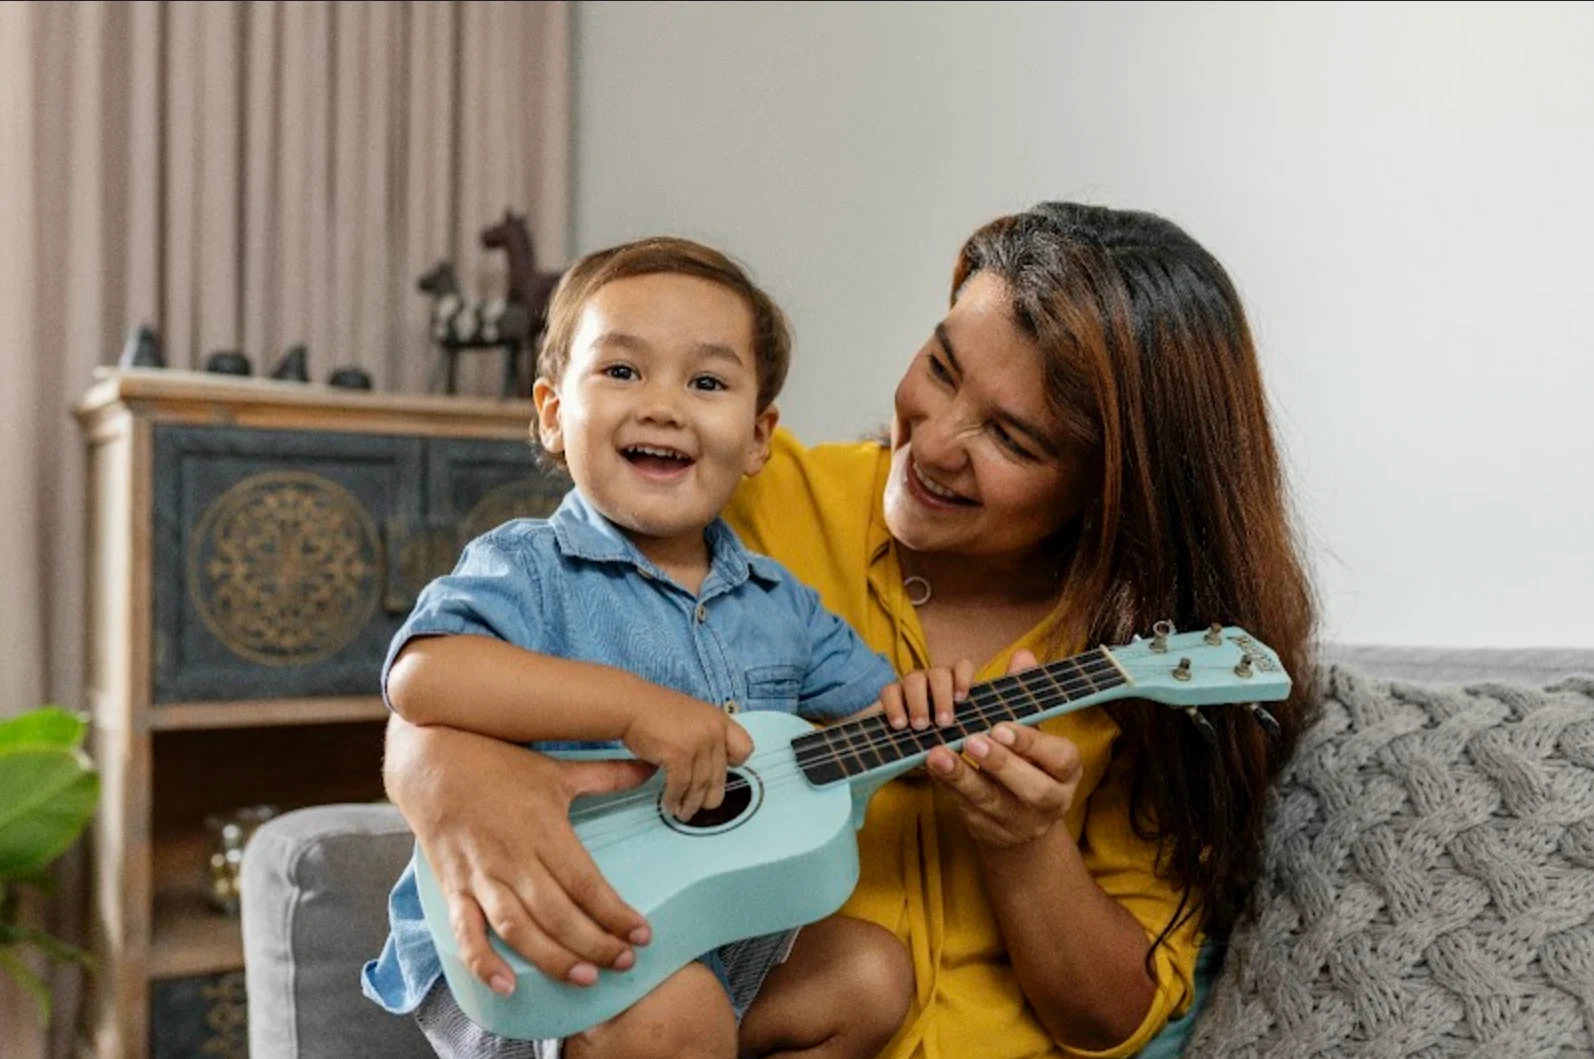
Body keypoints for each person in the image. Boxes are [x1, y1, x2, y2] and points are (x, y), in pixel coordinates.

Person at [380, 202, 1319, 1059]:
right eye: (942, 367)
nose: (937, 439)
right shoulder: (732, 494)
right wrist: (449, 773)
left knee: (870, 975)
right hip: (608, 968)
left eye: (1014, 438)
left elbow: (1111, 1015)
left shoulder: (1116, 653)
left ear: (1113, 485)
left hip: (807, 998)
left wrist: (1023, 838)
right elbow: (439, 674)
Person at [363, 236, 976, 1058]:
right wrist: (633, 707)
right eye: (622, 371)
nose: (662, 404)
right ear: (551, 412)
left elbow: (881, 710)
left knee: (872, 973)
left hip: (714, 934)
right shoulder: (530, 566)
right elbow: (424, 676)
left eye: (707, 381)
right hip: (543, 936)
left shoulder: (781, 601)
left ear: (759, 436)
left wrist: (933, 711)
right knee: (676, 1012)